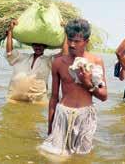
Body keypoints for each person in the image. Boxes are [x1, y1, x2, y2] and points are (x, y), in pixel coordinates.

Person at [40, 18, 108, 155]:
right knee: (55, 155)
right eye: (70, 39)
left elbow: (104, 96)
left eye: (77, 41)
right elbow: (53, 98)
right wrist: (50, 126)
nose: (72, 44)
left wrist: (87, 83)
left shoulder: (95, 62)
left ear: (86, 42)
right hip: (63, 113)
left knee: (82, 156)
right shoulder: (58, 63)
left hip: (85, 115)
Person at [5, 19, 67, 104]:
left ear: (45, 47)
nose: (38, 47)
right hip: (14, 99)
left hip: (37, 101)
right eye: (35, 45)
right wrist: (10, 32)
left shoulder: (48, 61)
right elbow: (9, 52)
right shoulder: (22, 57)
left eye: (41, 45)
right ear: (32, 46)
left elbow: (64, 53)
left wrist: (66, 33)